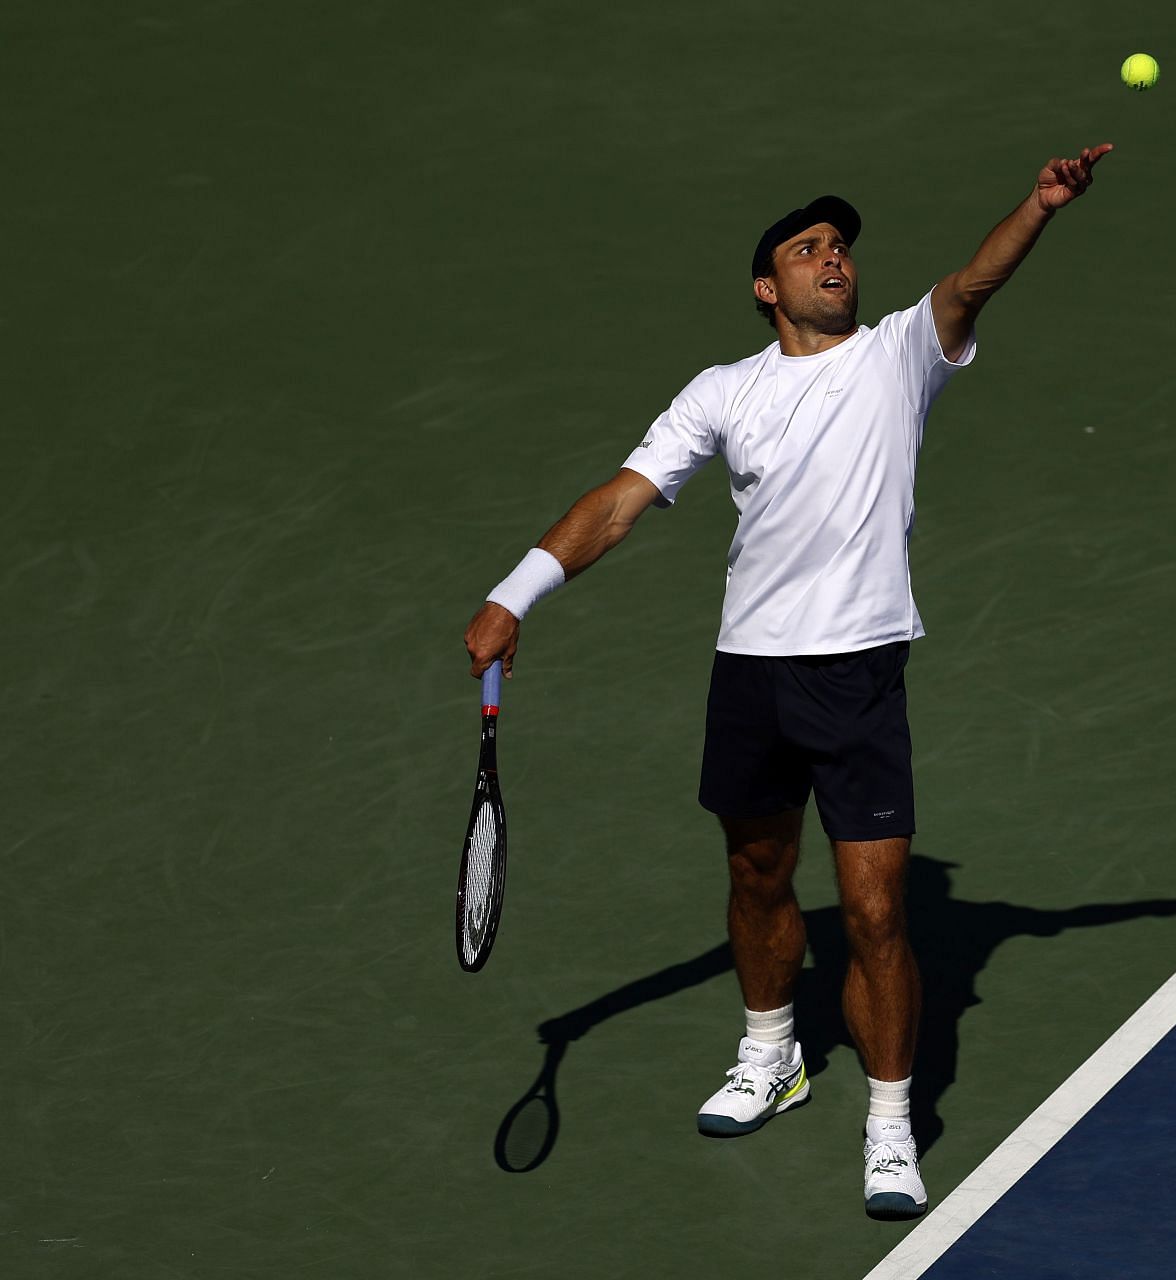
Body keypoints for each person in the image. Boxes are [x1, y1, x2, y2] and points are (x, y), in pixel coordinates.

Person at [463, 143, 1114, 1220]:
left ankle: (892, 1120)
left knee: (873, 911)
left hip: (857, 673)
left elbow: (974, 280)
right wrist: (513, 591)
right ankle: (772, 1052)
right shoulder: (725, 392)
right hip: (750, 676)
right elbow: (621, 500)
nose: (834, 259)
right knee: (759, 877)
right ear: (769, 286)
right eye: (808, 249)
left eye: (841, 247)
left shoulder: (903, 351)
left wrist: (1039, 208)